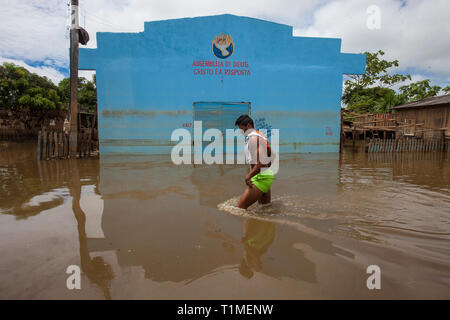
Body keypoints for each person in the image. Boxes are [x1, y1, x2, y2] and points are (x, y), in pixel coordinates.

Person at [235, 115, 275, 209]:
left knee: (240, 209)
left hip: (260, 177)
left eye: (242, 129)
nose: (242, 132)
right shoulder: (260, 136)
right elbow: (271, 155)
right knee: (264, 210)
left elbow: (262, 161)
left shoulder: (253, 138)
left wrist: (248, 176)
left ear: (248, 126)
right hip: (265, 176)